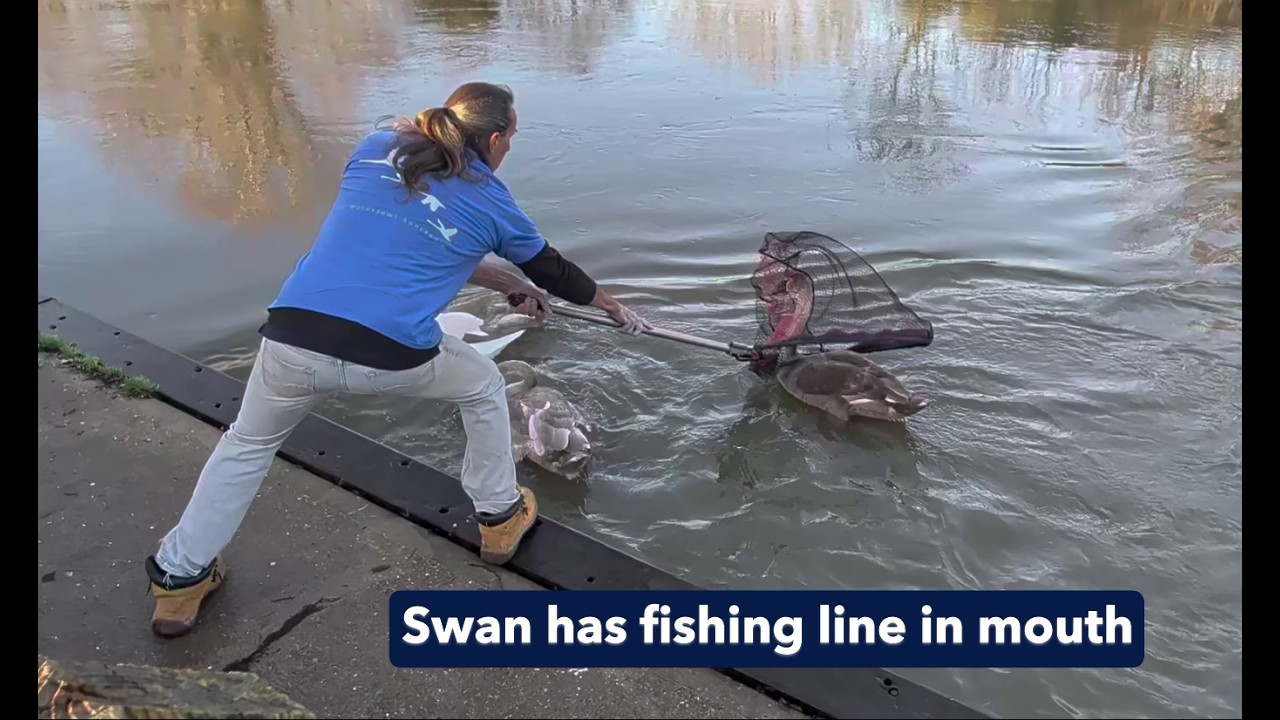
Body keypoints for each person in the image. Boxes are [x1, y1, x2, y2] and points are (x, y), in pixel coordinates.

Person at [143, 81, 652, 638]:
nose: (510, 148)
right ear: (498, 137)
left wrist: (502, 280)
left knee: (245, 445)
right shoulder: (492, 199)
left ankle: (178, 579)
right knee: (483, 385)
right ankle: (500, 518)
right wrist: (613, 306)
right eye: (512, 138)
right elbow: (554, 274)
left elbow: (416, 236)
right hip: (390, 353)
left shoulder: (375, 149)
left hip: (293, 334)